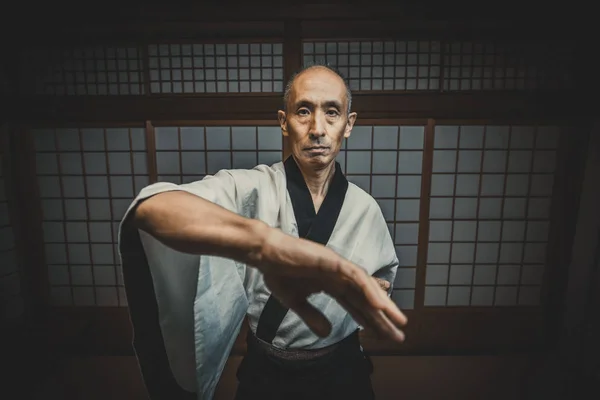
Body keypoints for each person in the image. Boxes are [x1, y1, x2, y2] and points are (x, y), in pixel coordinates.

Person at [118, 63, 407, 400]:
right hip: (268, 372)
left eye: (332, 112)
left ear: (349, 124)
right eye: (303, 111)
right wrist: (260, 241)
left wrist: (370, 294)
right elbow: (153, 208)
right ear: (284, 122)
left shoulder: (365, 208)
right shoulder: (252, 188)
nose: (317, 128)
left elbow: (380, 285)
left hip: (341, 370)